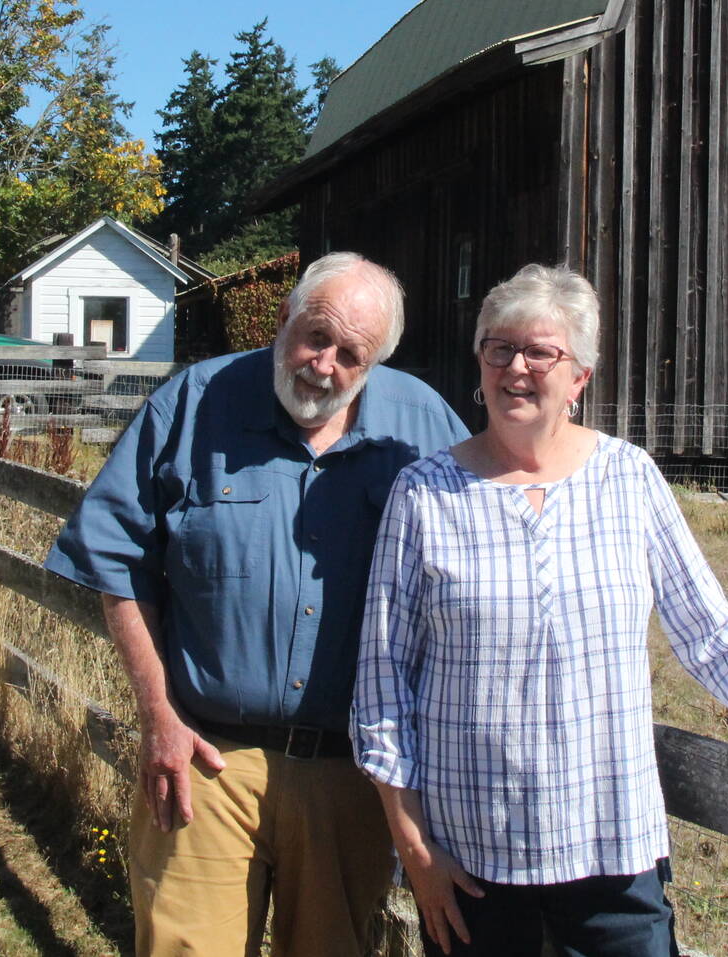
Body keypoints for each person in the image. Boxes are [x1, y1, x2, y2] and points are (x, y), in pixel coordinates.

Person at [353, 263, 728, 956]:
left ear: (579, 378)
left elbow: (706, 623)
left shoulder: (628, 477)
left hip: (612, 853)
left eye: (540, 351)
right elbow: (383, 683)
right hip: (471, 861)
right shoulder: (424, 494)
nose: (516, 367)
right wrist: (415, 848)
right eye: (499, 347)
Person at [48, 251, 468, 957]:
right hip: (205, 761)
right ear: (282, 318)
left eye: (349, 353)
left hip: (351, 780)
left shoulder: (422, 428)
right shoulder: (194, 403)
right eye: (314, 336)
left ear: (377, 363)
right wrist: (159, 717)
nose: (323, 364)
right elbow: (114, 559)